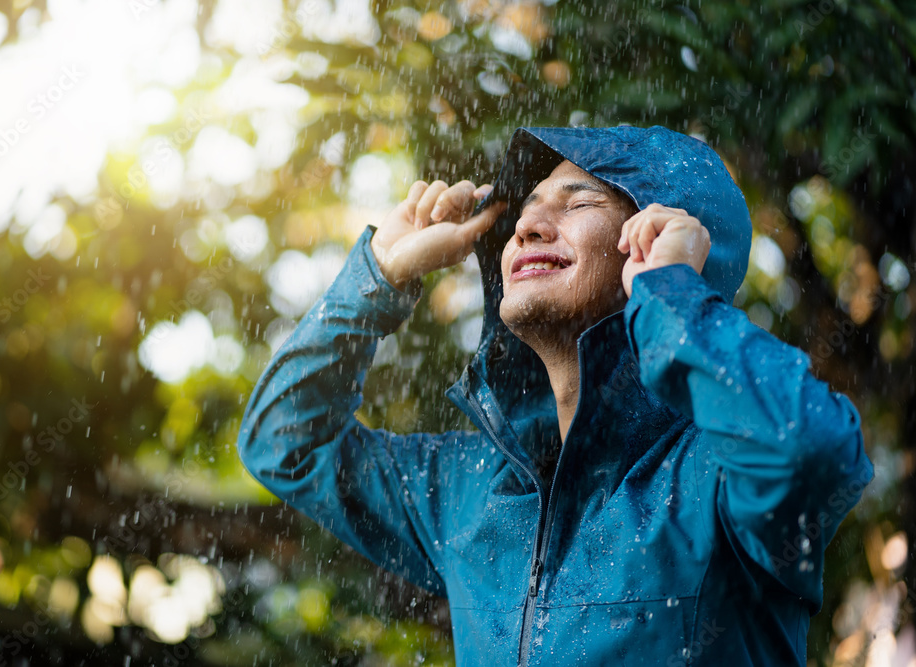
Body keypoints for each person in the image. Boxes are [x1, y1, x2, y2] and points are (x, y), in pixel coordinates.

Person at [237, 125, 873, 665]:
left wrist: (674, 294)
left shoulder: (718, 478)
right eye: (526, 209)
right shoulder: (469, 491)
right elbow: (284, 444)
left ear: (660, 239)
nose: (528, 226)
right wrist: (380, 272)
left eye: (577, 203)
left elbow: (812, 450)